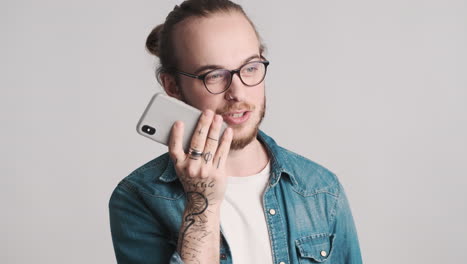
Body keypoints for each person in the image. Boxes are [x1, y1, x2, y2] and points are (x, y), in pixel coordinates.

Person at [109, 0, 362, 263]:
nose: (237, 93)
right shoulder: (139, 197)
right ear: (172, 86)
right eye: (214, 75)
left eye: (250, 68)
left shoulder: (320, 189)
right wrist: (201, 205)